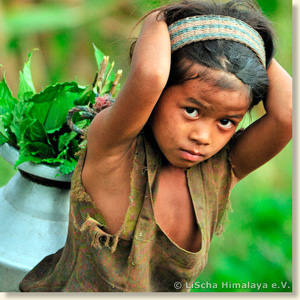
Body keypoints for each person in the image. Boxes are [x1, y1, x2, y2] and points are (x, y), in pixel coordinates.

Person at [19, 0, 292, 292]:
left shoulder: (220, 169)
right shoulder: (114, 147)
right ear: (158, 96)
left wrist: (246, 39)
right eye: (192, 110)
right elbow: (149, 76)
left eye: (226, 122)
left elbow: (288, 114)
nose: (203, 136)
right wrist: (162, 17)